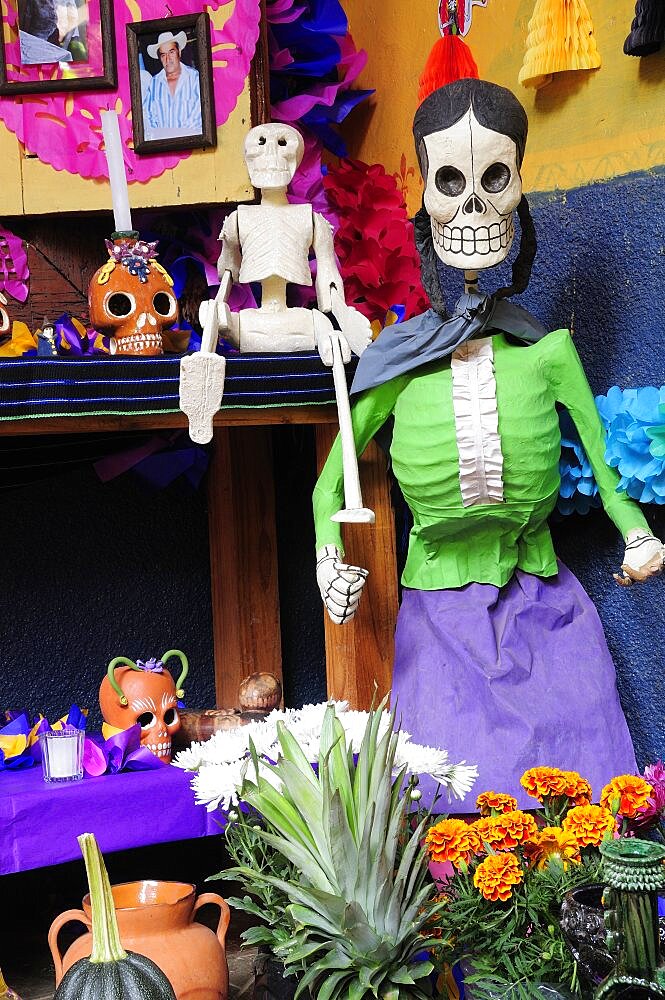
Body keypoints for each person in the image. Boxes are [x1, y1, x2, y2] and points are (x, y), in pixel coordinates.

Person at [313, 79, 664, 810]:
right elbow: (330, 485)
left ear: (515, 193)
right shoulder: (398, 363)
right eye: (452, 184)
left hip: (540, 592)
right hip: (438, 610)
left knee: (579, 768)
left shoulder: (548, 352)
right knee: (444, 787)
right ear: (427, 206)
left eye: (491, 182)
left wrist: (634, 532)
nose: (472, 209)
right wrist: (327, 558)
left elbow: (605, 469)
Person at [143, 30, 202, 139]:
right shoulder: (154, 83)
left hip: (191, 145)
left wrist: (177, 138)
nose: (168, 59)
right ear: (159, 58)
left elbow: (198, 116)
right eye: (163, 55)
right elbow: (147, 116)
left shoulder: (195, 78)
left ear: (179, 52)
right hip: (162, 148)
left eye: (171, 52)